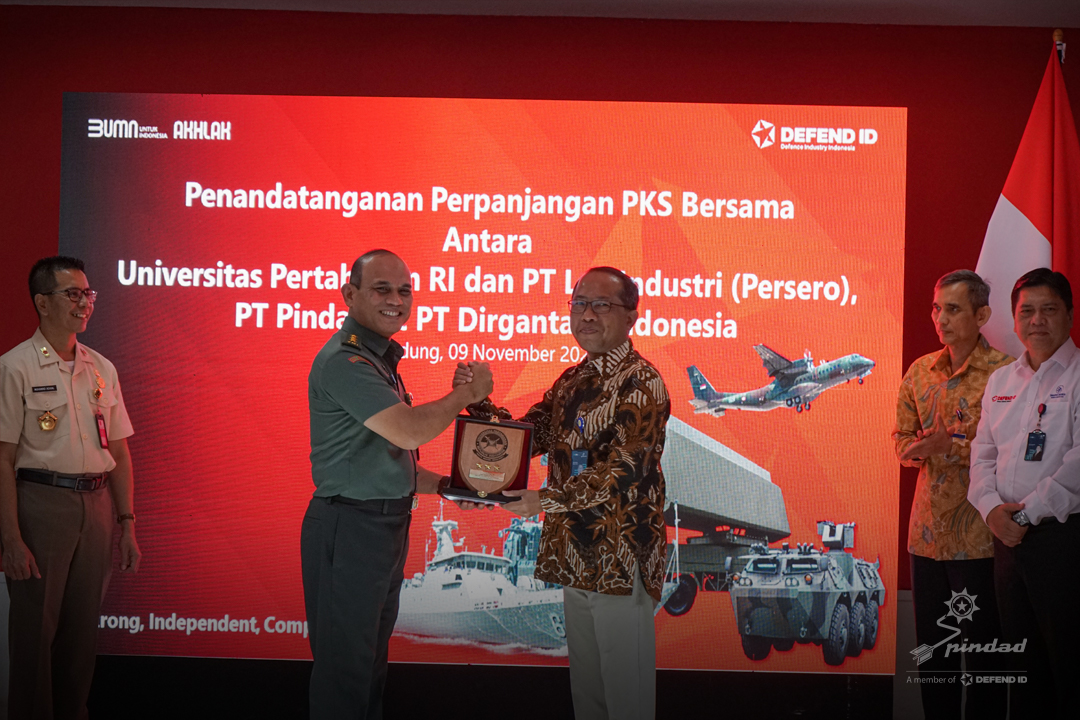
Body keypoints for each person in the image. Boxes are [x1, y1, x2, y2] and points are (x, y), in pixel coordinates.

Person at [456, 267, 669, 720]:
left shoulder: (641, 382)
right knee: (588, 699)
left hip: (620, 561)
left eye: (601, 305)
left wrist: (543, 501)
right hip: (575, 557)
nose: (586, 315)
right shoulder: (573, 380)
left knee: (626, 703)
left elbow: (625, 471)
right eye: (579, 304)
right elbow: (526, 438)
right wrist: (475, 400)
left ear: (631, 317)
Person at [301, 249, 492, 720]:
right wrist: (465, 395)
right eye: (382, 289)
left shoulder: (377, 359)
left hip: (381, 528)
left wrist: (450, 486)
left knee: (368, 673)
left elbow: (389, 462)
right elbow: (408, 431)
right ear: (349, 295)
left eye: (405, 291)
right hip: (352, 528)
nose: (396, 300)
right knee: (345, 679)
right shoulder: (345, 361)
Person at [0, 256, 141, 720]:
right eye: (73, 294)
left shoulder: (102, 368)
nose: (85, 303)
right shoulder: (15, 367)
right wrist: (11, 538)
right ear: (42, 303)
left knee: (82, 636)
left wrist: (126, 523)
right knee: (34, 635)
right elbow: (2, 459)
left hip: (96, 507)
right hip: (41, 505)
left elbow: (119, 452)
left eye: (88, 294)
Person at [893, 269, 1012, 719]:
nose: (940, 319)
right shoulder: (920, 371)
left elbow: (1013, 451)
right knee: (933, 655)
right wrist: (918, 449)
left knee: (984, 656)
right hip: (925, 538)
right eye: (937, 308)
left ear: (981, 315)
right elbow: (901, 441)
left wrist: (952, 446)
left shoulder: (1006, 373)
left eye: (953, 309)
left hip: (980, 539)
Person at [969, 268, 1080, 719]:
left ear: (1069, 315)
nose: (1037, 320)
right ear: (1014, 319)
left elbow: (1078, 465)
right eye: (1026, 311)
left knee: (1068, 667)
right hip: (1007, 544)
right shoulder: (1000, 381)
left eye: (1048, 309)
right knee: (1022, 668)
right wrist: (992, 510)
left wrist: (1024, 515)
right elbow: (982, 456)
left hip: (1063, 541)